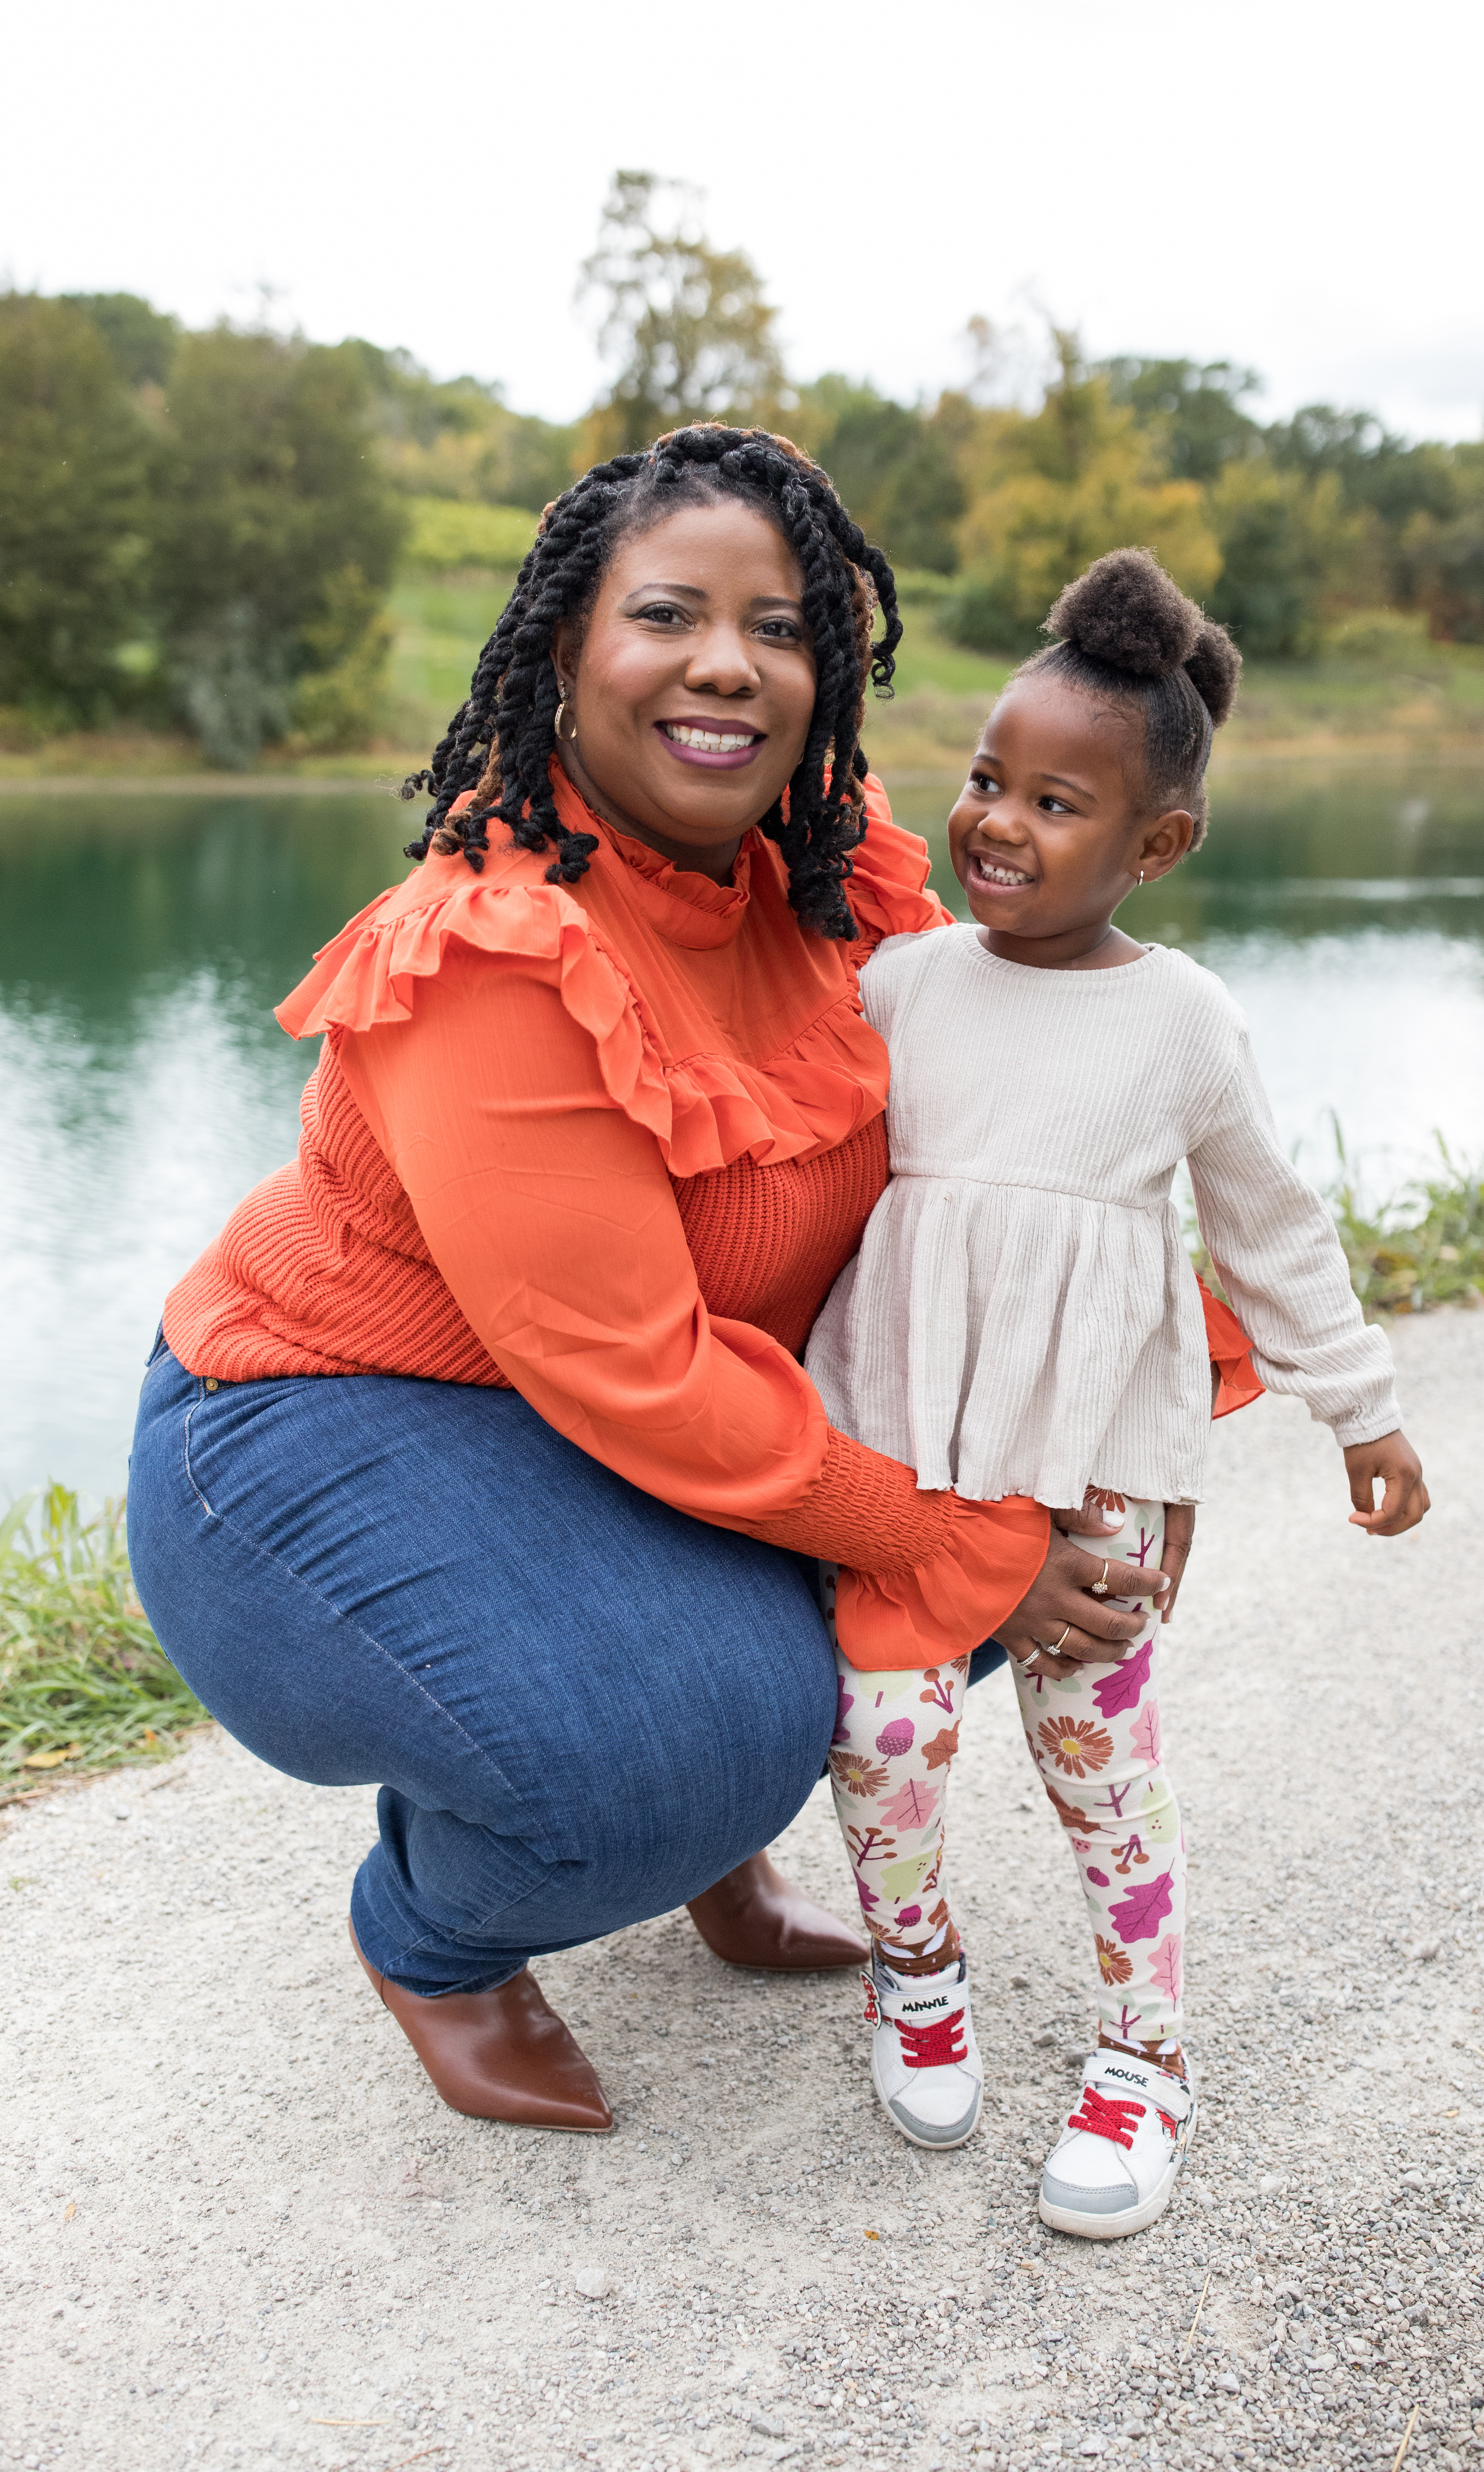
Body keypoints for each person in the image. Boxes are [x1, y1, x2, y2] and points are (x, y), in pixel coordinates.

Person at [126, 427, 1176, 2136]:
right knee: (752, 1693)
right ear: (564, 650)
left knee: (1034, 1520)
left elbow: (1038, 1129)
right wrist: (947, 1532)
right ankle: (437, 1935)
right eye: (669, 614)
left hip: (626, 1410)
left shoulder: (834, 865)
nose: (727, 664)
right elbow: (638, 1374)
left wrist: (1138, 1405)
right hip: (312, 1431)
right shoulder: (495, 951)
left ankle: (709, 1818)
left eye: (778, 629)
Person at [804, 548, 1431, 2237]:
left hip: (1089, 1460)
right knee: (882, 1730)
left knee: (1095, 1751)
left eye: (1055, 802)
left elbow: (1269, 1226)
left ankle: (1142, 2055)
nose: (996, 821)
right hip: (899, 1437)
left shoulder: (1183, 1022)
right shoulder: (902, 980)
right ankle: (913, 1966)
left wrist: (1354, 1405)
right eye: (984, 780)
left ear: (1153, 845)